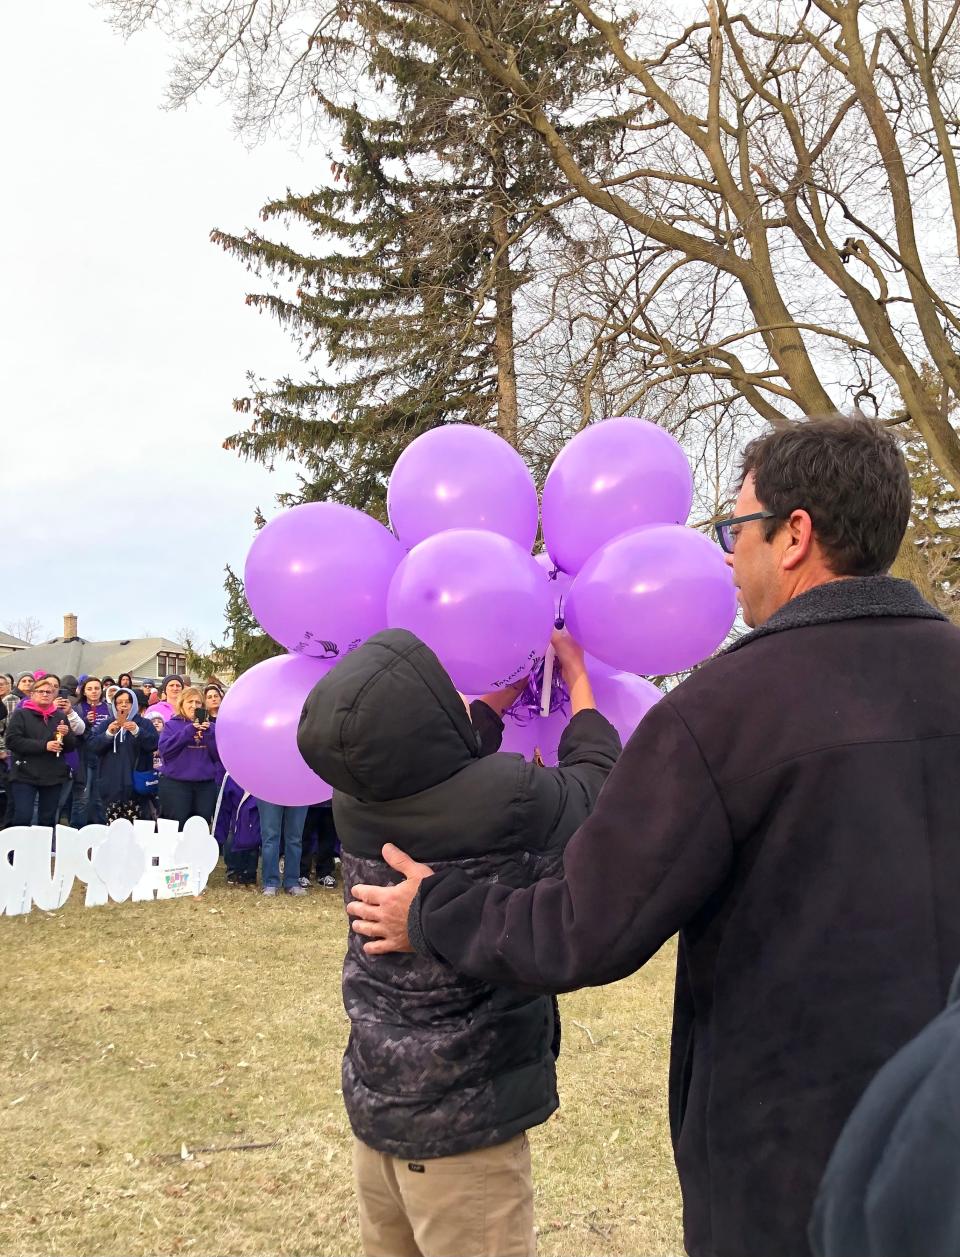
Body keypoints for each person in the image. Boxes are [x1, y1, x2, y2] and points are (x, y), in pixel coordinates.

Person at [346, 416, 960, 1257]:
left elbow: (584, 926)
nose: (724, 553)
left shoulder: (719, 714)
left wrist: (435, 910)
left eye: (732, 528)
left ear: (794, 536)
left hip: (786, 1151)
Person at [296, 626, 620, 1257]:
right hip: (463, 1129)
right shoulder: (510, 797)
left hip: (380, 1105)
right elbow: (596, 788)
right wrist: (578, 684)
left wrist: (497, 701)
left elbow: (442, 760)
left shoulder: (354, 797)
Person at [5, 675, 80, 828]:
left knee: (47, 819)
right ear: (32, 695)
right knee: (23, 816)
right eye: (41, 691)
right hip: (24, 773)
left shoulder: (59, 716)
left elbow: (71, 746)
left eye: (49, 692)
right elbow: (12, 741)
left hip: (52, 774)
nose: (45, 694)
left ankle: (42, 850)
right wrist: (44, 746)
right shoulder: (21, 714)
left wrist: (66, 736)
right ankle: (19, 850)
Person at [90, 686, 160, 823]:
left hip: (136, 783)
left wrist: (137, 731)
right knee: (113, 827)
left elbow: (153, 744)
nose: (123, 705)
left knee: (137, 827)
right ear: (114, 704)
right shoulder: (107, 723)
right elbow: (93, 747)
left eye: (127, 702)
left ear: (133, 704)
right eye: (119, 702)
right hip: (111, 784)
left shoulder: (144, 723)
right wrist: (108, 734)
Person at [157, 686, 219, 828]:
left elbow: (218, 757)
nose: (193, 706)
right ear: (181, 705)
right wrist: (189, 731)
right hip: (176, 785)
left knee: (201, 828)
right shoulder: (171, 725)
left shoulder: (212, 728)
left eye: (198, 703)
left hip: (205, 786)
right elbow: (165, 751)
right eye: (189, 702)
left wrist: (208, 734)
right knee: (177, 828)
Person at [71, 677, 111, 827]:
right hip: (84, 756)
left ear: (101, 690)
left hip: (104, 756)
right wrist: (84, 720)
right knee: (83, 797)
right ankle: (77, 830)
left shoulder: (109, 708)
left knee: (100, 796)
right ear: (84, 691)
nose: (93, 691)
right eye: (90, 689)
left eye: (96, 688)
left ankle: (101, 829)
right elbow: (75, 732)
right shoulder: (78, 708)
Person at [255, 801, 310, 897]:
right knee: (270, 837)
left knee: (295, 838)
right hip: (269, 789)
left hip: (298, 789)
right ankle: (270, 882)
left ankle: (292, 881)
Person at [299, 801, 339, 888]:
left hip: (329, 802)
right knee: (304, 837)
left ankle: (325, 873)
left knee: (328, 836)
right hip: (308, 802)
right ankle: (302, 874)